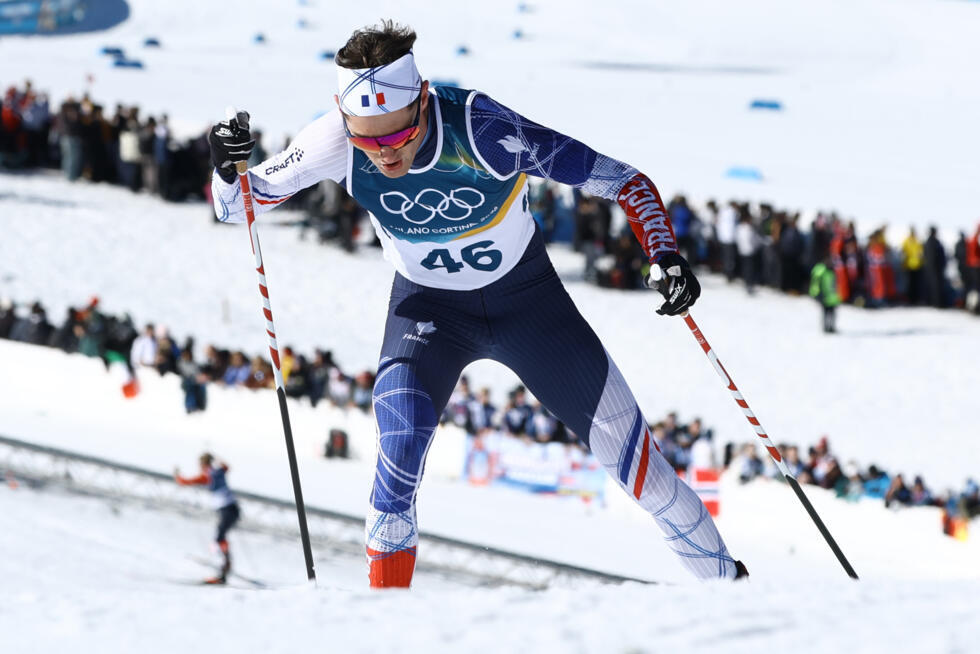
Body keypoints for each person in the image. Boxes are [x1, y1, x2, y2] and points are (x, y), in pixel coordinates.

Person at [209, 20, 746, 587]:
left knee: (645, 475)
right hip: (427, 313)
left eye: (398, 136)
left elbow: (624, 181)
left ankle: (734, 596)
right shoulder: (332, 141)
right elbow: (237, 206)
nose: (384, 154)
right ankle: (382, 623)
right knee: (396, 464)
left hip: (529, 305)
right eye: (367, 140)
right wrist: (224, 168)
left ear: (422, 100)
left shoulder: (482, 130)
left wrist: (664, 253)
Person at [174, 453, 240, 584]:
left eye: (200, 464)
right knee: (220, 537)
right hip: (232, 509)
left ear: (203, 464)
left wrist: (177, 475)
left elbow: (185, 482)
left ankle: (225, 566)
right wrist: (216, 457)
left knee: (219, 538)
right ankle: (225, 564)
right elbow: (227, 466)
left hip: (227, 510)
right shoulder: (218, 471)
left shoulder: (207, 475)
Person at [810, 255, 841, 333]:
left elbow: (836, 285)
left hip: (832, 298)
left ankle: (831, 327)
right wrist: (817, 294)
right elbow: (816, 284)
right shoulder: (821, 271)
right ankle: (826, 327)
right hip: (825, 297)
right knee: (826, 313)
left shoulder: (833, 271)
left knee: (832, 313)